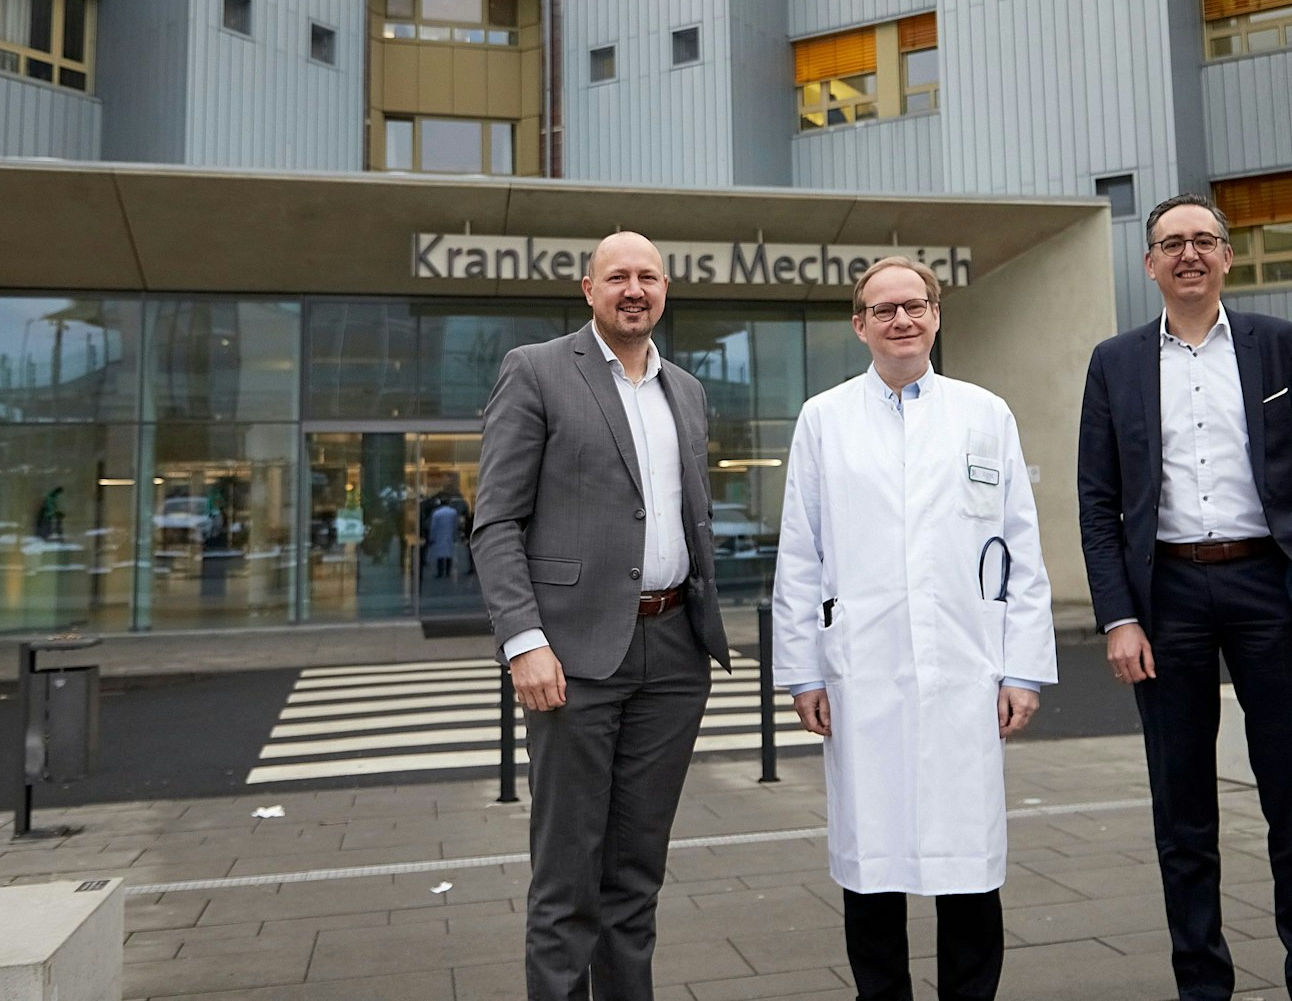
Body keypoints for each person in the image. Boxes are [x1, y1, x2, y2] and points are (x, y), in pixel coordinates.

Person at [1077, 194, 1292, 1001]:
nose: (1189, 254)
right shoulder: (1116, 361)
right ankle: (1202, 984)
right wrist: (1120, 615)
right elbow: (1097, 500)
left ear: (1228, 256)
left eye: (1204, 239)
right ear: (1150, 264)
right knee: (1183, 813)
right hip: (1165, 597)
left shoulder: (1283, 347)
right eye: (1172, 243)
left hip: (1268, 585)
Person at [773, 256, 1058, 1001]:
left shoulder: (983, 412)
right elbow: (801, 552)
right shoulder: (824, 418)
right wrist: (803, 671)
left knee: (968, 862)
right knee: (872, 861)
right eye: (884, 308)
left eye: (916, 304)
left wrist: (1021, 667)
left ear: (937, 314)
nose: (902, 319)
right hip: (862, 672)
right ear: (859, 323)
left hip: (965, 670)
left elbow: (1020, 547)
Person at [472, 231, 729, 1001]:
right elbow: (496, 523)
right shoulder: (538, 371)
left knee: (636, 874)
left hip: (674, 653)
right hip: (573, 657)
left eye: (648, 275)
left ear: (665, 288)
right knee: (566, 879)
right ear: (589, 289)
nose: (634, 288)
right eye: (617, 275)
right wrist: (525, 642)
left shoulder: (685, 389)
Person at [427, 497, 459, 579]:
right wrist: (456, 535)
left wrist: (432, 537)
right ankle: (448, 572)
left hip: (439, 535)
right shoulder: (453, 512)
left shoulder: (437, 513)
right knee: (449, 554)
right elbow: (456, 525)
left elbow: (433, 526)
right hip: (450, 535)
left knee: (440, 554)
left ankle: (440, 572)